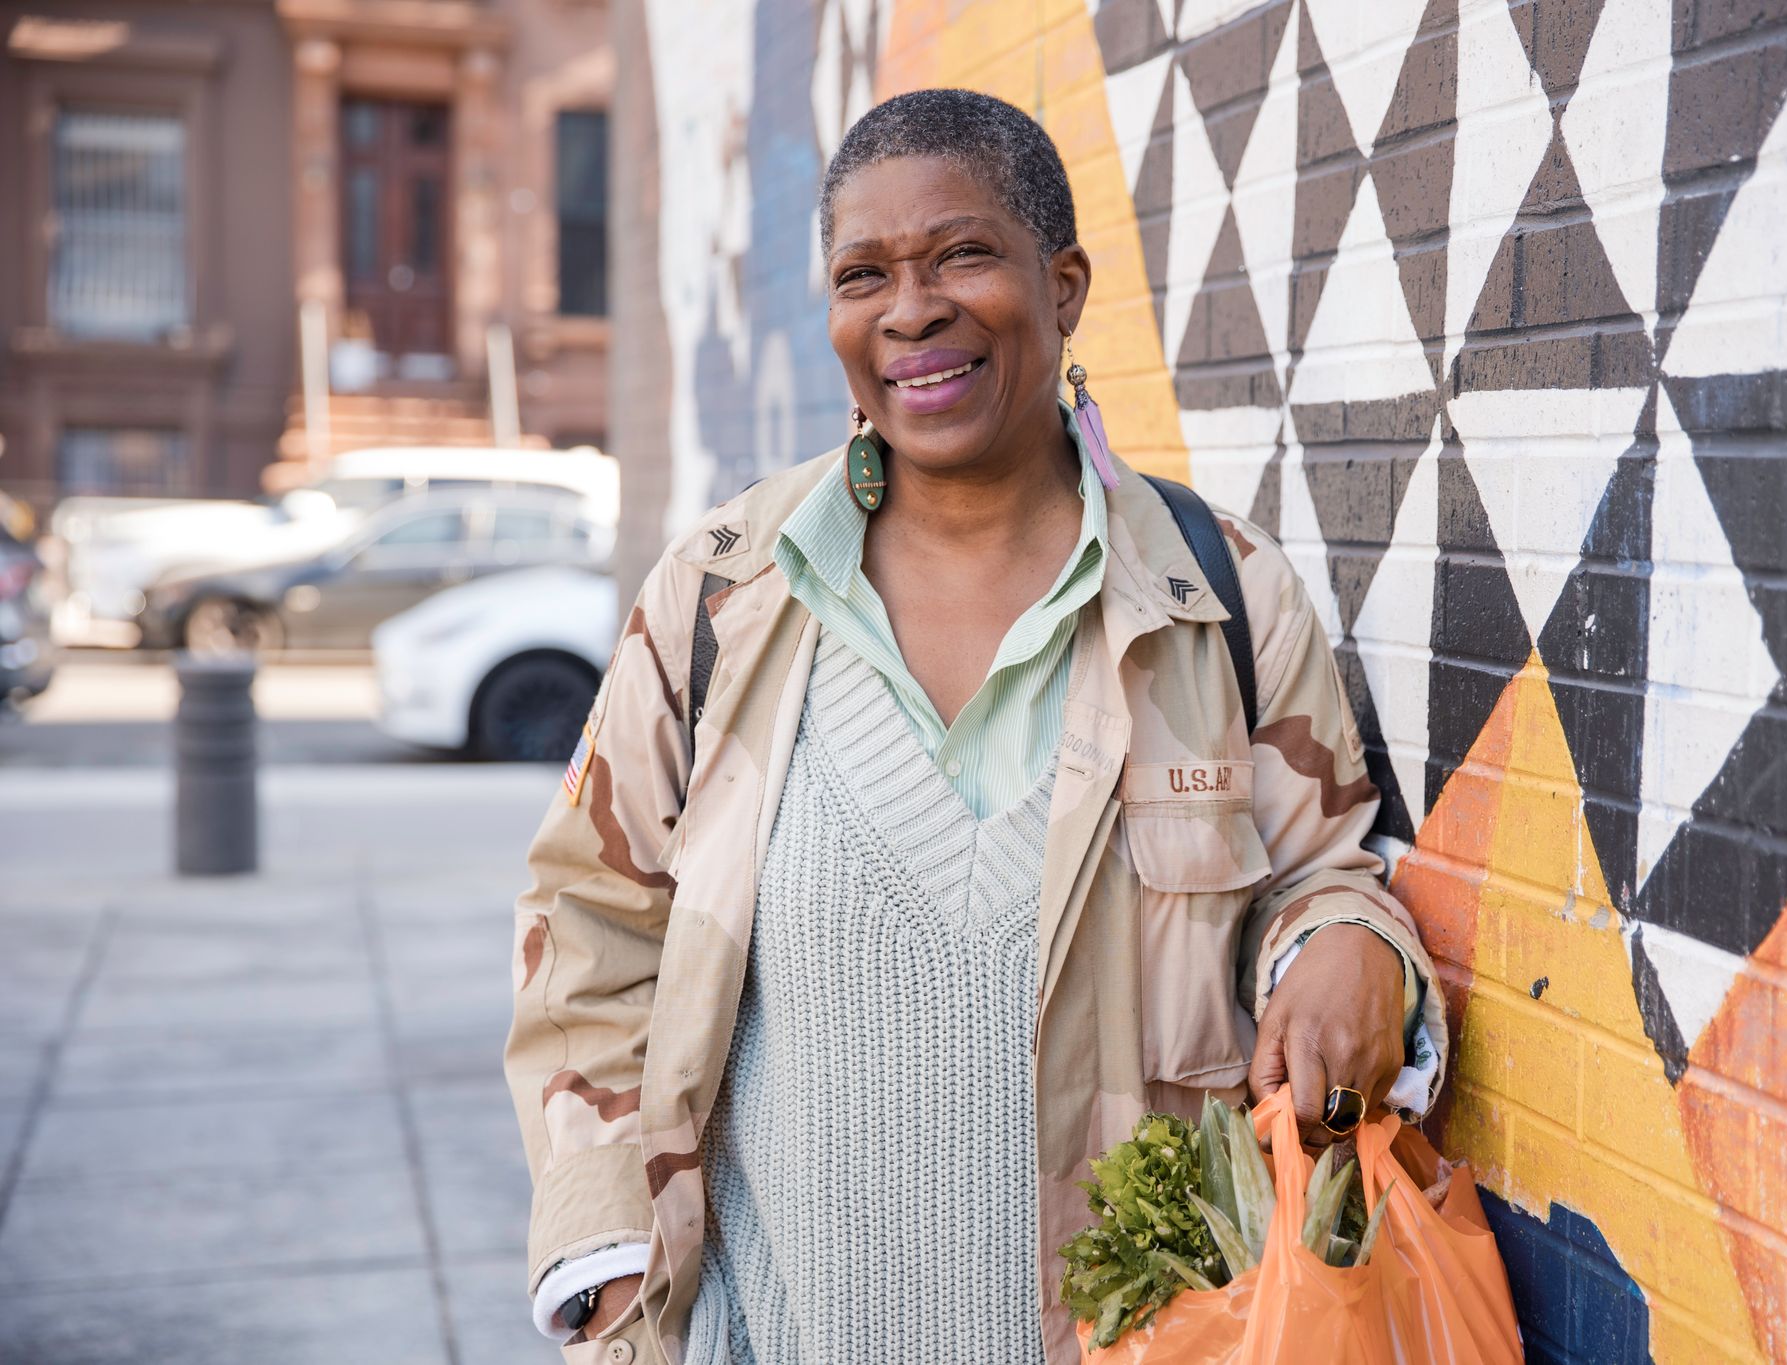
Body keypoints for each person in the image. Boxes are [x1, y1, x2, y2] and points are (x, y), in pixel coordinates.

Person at [505, 88, 1448, 1365]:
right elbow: (585, 929)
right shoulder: (721, 598)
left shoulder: (1214, 596)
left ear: (1061, 288)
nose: (909, 310)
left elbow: (1325, 874)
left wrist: (1349, 944)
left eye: (961, 254)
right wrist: (618, 1282)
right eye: (863, 274)